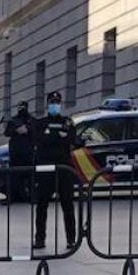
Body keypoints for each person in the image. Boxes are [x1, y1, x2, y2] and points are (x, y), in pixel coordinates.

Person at [32, 90, 78, 249]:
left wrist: (53, 136)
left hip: (64, 169)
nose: (55, 105)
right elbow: (40, 140)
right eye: (52, 102)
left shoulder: (68, 121)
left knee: (68, 205)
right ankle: (40, 239)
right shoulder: (40, 123)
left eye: (57, 103)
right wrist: (59, 136)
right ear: (47, 105)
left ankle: (71, 239)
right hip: (46, 169)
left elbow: (73, 139)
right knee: (42, 206)